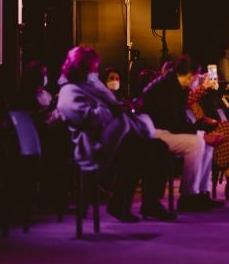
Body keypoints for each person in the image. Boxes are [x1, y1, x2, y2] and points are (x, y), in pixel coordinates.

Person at [55, 46, 176, 221]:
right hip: (94, 143)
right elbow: (88, 119)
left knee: (158, 147)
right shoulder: (70, 91)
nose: (94, 71)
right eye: (92, 67)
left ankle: (148, 202)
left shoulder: (94, 86)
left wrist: (122, 107)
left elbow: (109, 109)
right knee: (139, 150)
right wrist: (115, 110)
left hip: (113, 137)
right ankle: (122, 204)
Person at [141, 55, 223, 212]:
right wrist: (200, 134)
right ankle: (188, 196)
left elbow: (178, 120)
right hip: (154, 131)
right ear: (191, 75)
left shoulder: (175, 85)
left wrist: (201, 133)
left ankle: (201, 192)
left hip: (165, 128)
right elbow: (172, 122)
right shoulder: (166, 87)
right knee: (197, 143)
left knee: (206, 143)